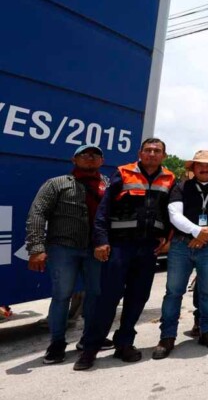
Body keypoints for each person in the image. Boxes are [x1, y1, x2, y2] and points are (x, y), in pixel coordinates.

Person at [75, 138, 175, 371]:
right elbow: (104, 210)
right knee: (107, 298)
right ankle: (90, 349)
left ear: (164, 155)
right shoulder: (123, 173)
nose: (152, 154)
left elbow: (170, 212)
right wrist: (100, 241)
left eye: (157, 151)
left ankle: (124, 343)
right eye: (148, 150)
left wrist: (167, 239)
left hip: (149, 248)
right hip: (120, 247)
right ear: (140, 153)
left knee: (137, 298)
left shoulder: (170, 178)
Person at [25, 144, 109, 364]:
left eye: (95, 155)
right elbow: (37, 214)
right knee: (61, 296)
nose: (90, 158)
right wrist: (36, 248)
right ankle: (57, 342)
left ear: (102, 161)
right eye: (85, 155)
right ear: (74, 159)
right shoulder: (56, 184)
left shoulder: (108, 184)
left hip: (96, 250)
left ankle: (88, 339)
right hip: (63, 248)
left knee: (95, 294)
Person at [152, 151, 208, 359]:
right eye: (200, 165)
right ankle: (167, 337)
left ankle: (207, 331)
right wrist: (198, 232)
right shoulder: (181, 187)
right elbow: (174, 214)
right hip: (181, 245)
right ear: (193, 168)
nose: (205, 169)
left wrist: (206, 234)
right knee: (174, 292)